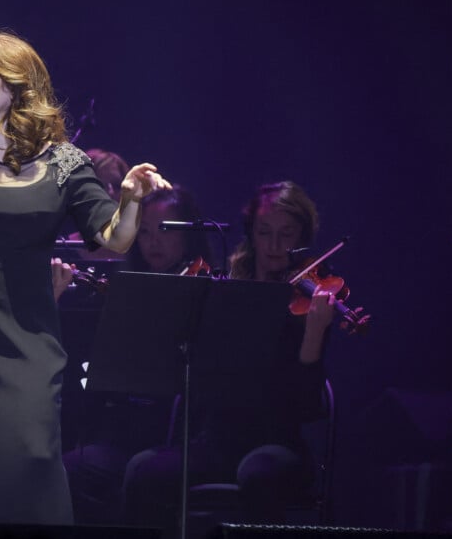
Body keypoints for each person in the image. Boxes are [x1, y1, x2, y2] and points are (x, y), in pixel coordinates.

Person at [0, 29, 170, 525]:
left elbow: (114, 238)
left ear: (15, 86)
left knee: (29, 459)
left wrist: (131, 198)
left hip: (24, 335)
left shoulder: (62, 162)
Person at [121, 180, 336, 533]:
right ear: (251, 233)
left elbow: (308, 406)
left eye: (287, 234)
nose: (275, 245)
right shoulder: (229, 287)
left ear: (302, 237)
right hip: (219, 442)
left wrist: (314, 333)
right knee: (143, 469)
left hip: (278, 445)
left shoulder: (309, 304)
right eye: (264, 232)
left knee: (257, 473)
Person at [63, 184, 213, 524]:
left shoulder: (205, 288)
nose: (153, 241)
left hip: (185, 433)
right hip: (131, 429)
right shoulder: (127, 287)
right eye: (143, 232)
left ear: (189, 234)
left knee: (144, 471)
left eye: (164, 230)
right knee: (73, 466)